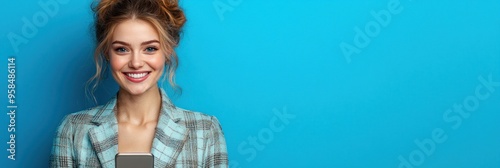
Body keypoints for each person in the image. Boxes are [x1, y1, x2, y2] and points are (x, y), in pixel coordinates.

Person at [49, 0, 228, 167]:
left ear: (167, 51)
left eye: (150, 49)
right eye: (122, 49)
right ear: (106, 53)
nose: (136, 63)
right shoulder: (73, 129)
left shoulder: (205, 131)